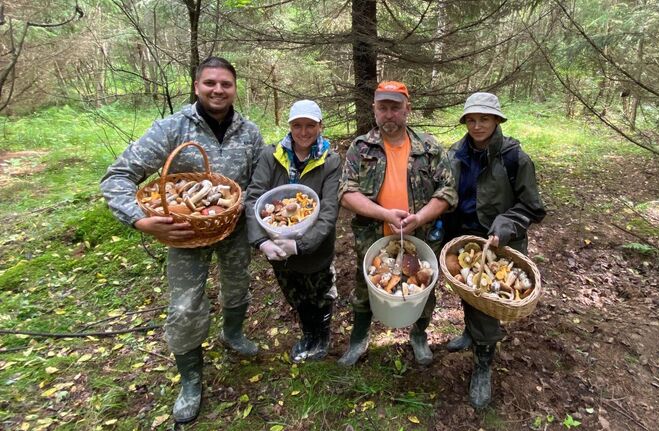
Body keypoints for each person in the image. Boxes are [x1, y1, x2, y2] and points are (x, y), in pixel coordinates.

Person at [100, 57, 264, 424]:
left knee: (238, 285)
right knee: (186, 306)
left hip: (232, 227)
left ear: (235, 88)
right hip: (184, 231)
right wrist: (143, 220)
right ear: (196, 86)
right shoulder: (172, 128)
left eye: (225, 84)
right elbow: (117, 177)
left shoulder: (249, 132)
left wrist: (259, 222)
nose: (218, 90)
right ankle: (191, 378)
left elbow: (259, 181)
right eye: (210, 83)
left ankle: (233, 333)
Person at [337, 81, 457, 367]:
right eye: (383, 107)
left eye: (395, 107)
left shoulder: (428, 148)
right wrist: (385, 215)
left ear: (407, 109)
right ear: (375, 110)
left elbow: (448, 191)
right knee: (364, 289)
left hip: (422, 235)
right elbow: (346, 193)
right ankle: (359, 339)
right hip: (373, 236)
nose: (389, 114)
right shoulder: (361, 148)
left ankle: (418, 335)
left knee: (424, 289)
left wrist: (421, 217)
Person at [442, 92, 546, 409]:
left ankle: (483, 362)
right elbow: (446, 192)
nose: (477, 125)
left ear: (497, 120)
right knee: (469, 292)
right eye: (471, 119)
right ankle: (471, 333)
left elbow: (532, 207)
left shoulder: (515, 158)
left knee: (488, 300)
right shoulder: (455, 153)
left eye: (484, 119)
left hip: (499, 241)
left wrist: (505, 223)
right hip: (463, 236)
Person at [245, 100, 341, 363]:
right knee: (295, 293)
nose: (304, 132)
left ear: (320, 126)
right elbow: (255, 197)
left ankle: (321, 337)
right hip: (276, 242)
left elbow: (329, 210)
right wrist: (261, 241)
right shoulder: (272, 155)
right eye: (297, 125)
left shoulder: (330, 161)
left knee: (319, 293)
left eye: (310, 125)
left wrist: (301, 245)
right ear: (289, 126)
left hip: (315, 247)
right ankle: (308, 332)